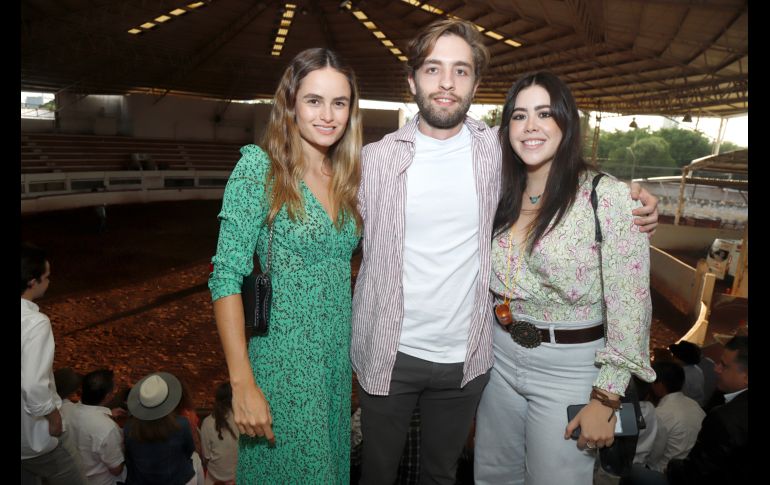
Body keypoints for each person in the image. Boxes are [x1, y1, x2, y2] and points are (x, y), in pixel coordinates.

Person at [351, 19, 659, 485]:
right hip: (405, 353)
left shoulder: (493, 154)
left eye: (461, 70)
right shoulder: (375, 159)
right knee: (395, 472)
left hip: (475, 358)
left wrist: (634, 200)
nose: (447, 83)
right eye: (433, 69)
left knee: (447, 474)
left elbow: (569, 179)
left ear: (476, 83)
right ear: (412, 80)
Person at [471, 71, 656, 485]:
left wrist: (606, 398)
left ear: (566, 122)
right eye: (519, 116)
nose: (530, 126)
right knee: (492, 477)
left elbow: (631, 303)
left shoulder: (605, 196)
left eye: (544, 113)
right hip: (498, 360)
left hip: (571, 371)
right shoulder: (496, 189)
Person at [208, 47, 362, 483]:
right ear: (290, 102)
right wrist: (242, 384)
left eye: (340, 102)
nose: (328, 115)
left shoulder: (348, 176)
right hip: (282, 363)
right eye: (314, 100)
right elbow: (225, 278)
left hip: (334, 364)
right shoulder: (259, 169)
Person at [621, 335, 748, 485]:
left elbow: (695, 473)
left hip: (677, 475)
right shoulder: (694, 405)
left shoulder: (723, 418)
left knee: (626, 472)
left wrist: (671, 467)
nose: (716, 368)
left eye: (724, 365)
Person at [21, 243, 87, 485]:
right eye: (46, 277)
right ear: (31, 281)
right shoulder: (35, 323)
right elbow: (32, 385)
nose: (49, 282)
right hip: (36, 437)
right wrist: (53, 417)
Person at [124, 372, 197, 484]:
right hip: (178, 479)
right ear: (168, 399)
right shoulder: (182, 424)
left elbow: (129, 456)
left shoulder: (129, 427)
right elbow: (189, 450)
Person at [645, 361, 705, 472]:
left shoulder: (660, 414)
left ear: (660, 385)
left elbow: (652, 457)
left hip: (665, 471)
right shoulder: (694, 404)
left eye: (652, 382)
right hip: (692, 468)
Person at [69, 369, 126, 485]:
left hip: (73, 475)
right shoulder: (108, 429)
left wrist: (107, 412)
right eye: (114, 389)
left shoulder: (66, 409)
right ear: (107, 397)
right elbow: (116, 470)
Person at [200, 382, 238, 485]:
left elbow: (206, 456)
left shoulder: (207, 422)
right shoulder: (243, 421)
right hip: (239, 478)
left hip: (214, 480)